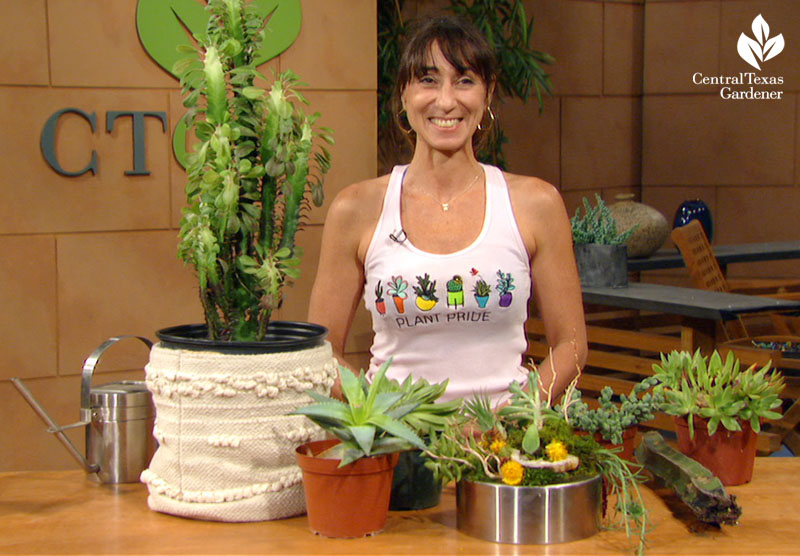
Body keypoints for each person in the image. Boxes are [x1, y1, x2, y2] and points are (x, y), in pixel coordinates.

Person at [308, 15, 587, 403]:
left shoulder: (536, 204)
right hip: (395, 445)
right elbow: (321, 352)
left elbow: (571, 346)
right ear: (404, 95)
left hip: (503, 451)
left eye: (464, 80)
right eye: (427, 80)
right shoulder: (355, 208)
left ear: (487, 95)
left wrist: (510, 421)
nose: (445, 100)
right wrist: (382, 417)